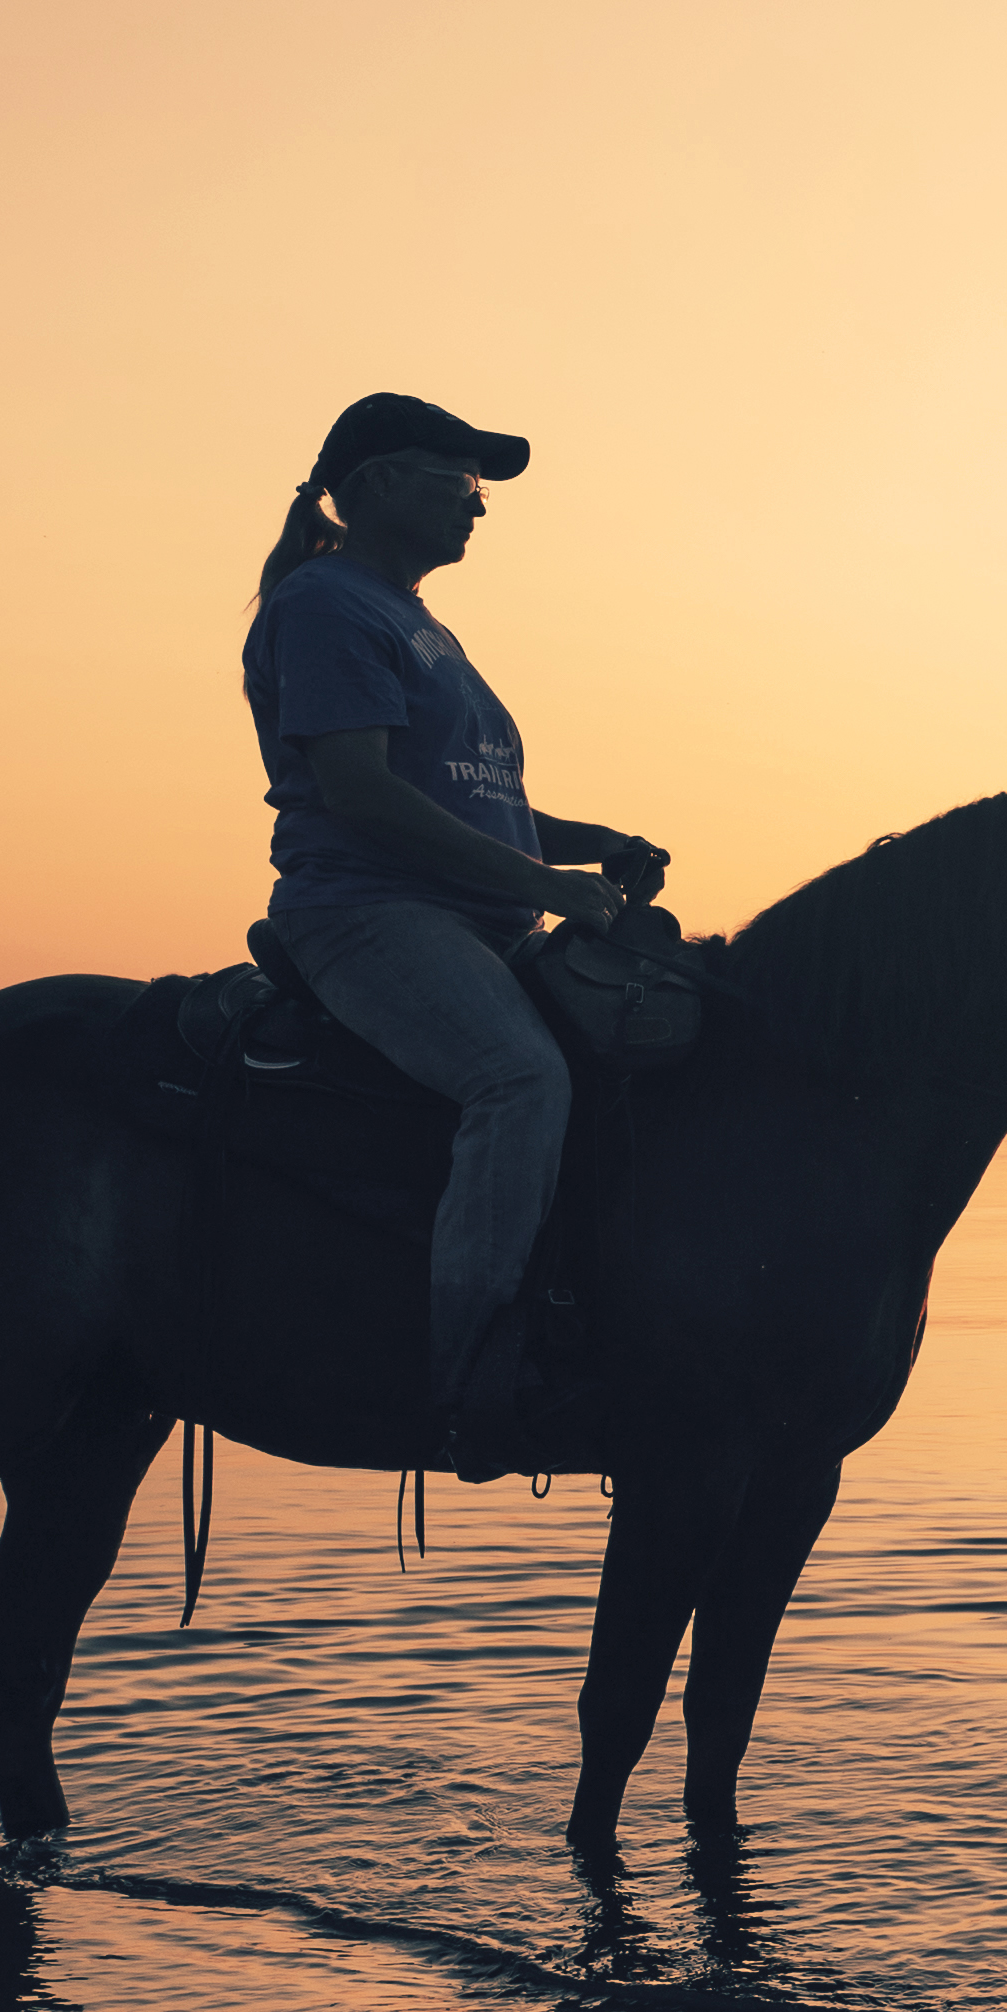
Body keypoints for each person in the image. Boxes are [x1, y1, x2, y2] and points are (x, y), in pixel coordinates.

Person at [242, 393, 671, 1475]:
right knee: (517, 1081)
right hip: (371, 912)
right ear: (381, 483)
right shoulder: (328, 605)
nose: (480, 506)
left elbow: (477, 799)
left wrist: (587, 842)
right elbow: (362, 793)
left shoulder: (413, 619)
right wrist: (544, 882)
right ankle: (473, 1370)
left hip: (477, 919)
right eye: (461, 481)